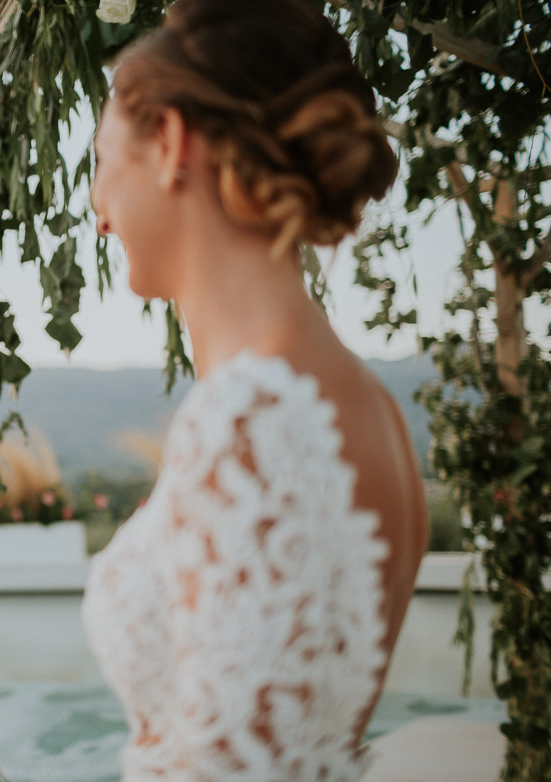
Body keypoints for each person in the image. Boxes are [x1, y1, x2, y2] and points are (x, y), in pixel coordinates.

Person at [81, 1, 428, 779]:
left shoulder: (257, 416)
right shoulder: (351, 399)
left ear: (169, 143)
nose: (99, 215)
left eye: (103, 161)